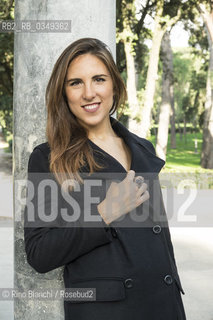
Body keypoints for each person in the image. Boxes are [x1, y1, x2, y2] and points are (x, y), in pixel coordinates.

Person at [24, 37, 186, 320]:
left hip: (163, 303)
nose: (89, 93)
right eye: (76, 83)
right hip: (106, 311)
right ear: (63, 93)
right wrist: (102, 215)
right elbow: (39, 254)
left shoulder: (142, 148)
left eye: (99, 79)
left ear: (114, 85)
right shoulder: (48, 157)